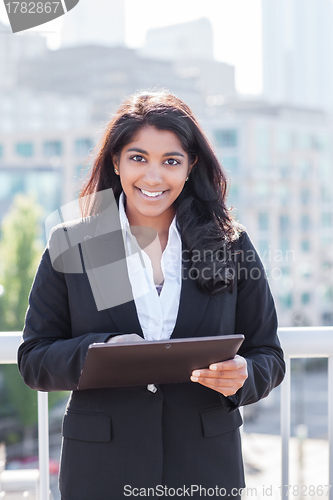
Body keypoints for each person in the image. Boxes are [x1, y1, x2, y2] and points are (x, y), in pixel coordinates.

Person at [18, 90, 285, 500]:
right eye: (138, 158)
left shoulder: (228, 244)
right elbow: (35, 358)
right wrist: (103, 350)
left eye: (171, 161)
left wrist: (246, 375)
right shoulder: (77, 243)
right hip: (102, 470)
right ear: (116, 161)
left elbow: (269, 354)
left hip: (205, 466)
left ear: (191, 165)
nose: (154, 177)